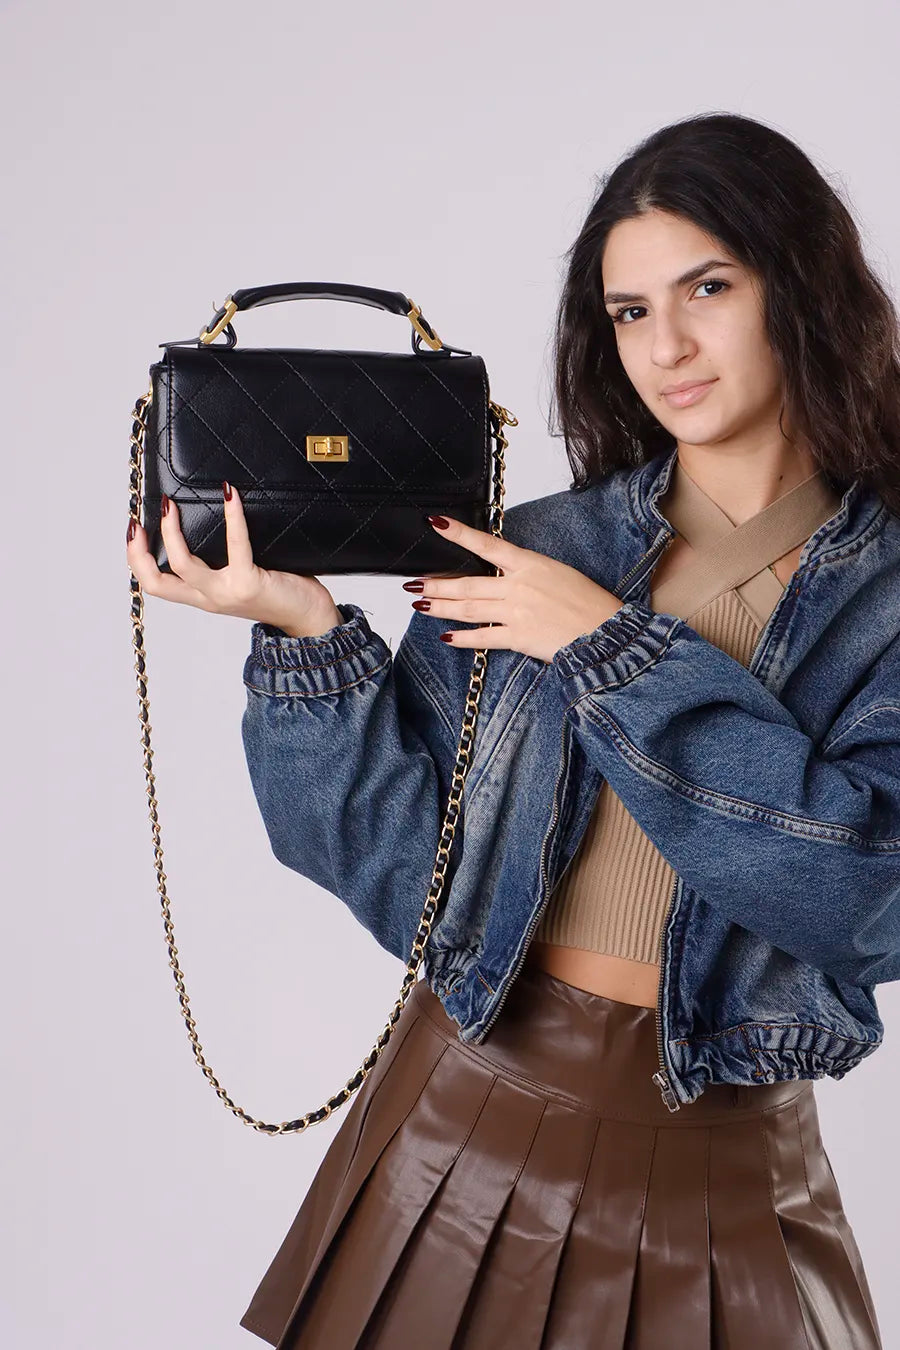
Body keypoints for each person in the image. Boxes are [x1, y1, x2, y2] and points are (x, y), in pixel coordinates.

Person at [126, 111, 900, 1348]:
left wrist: (610, 648)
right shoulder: (538, 547)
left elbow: (866, 902)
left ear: (800, 288)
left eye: (708, 288)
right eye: (630, 310)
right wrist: (303, 632)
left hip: (731, 1165)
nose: (667, 345)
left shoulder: (882, 595)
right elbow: (407, 876)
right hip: (465, 1122)